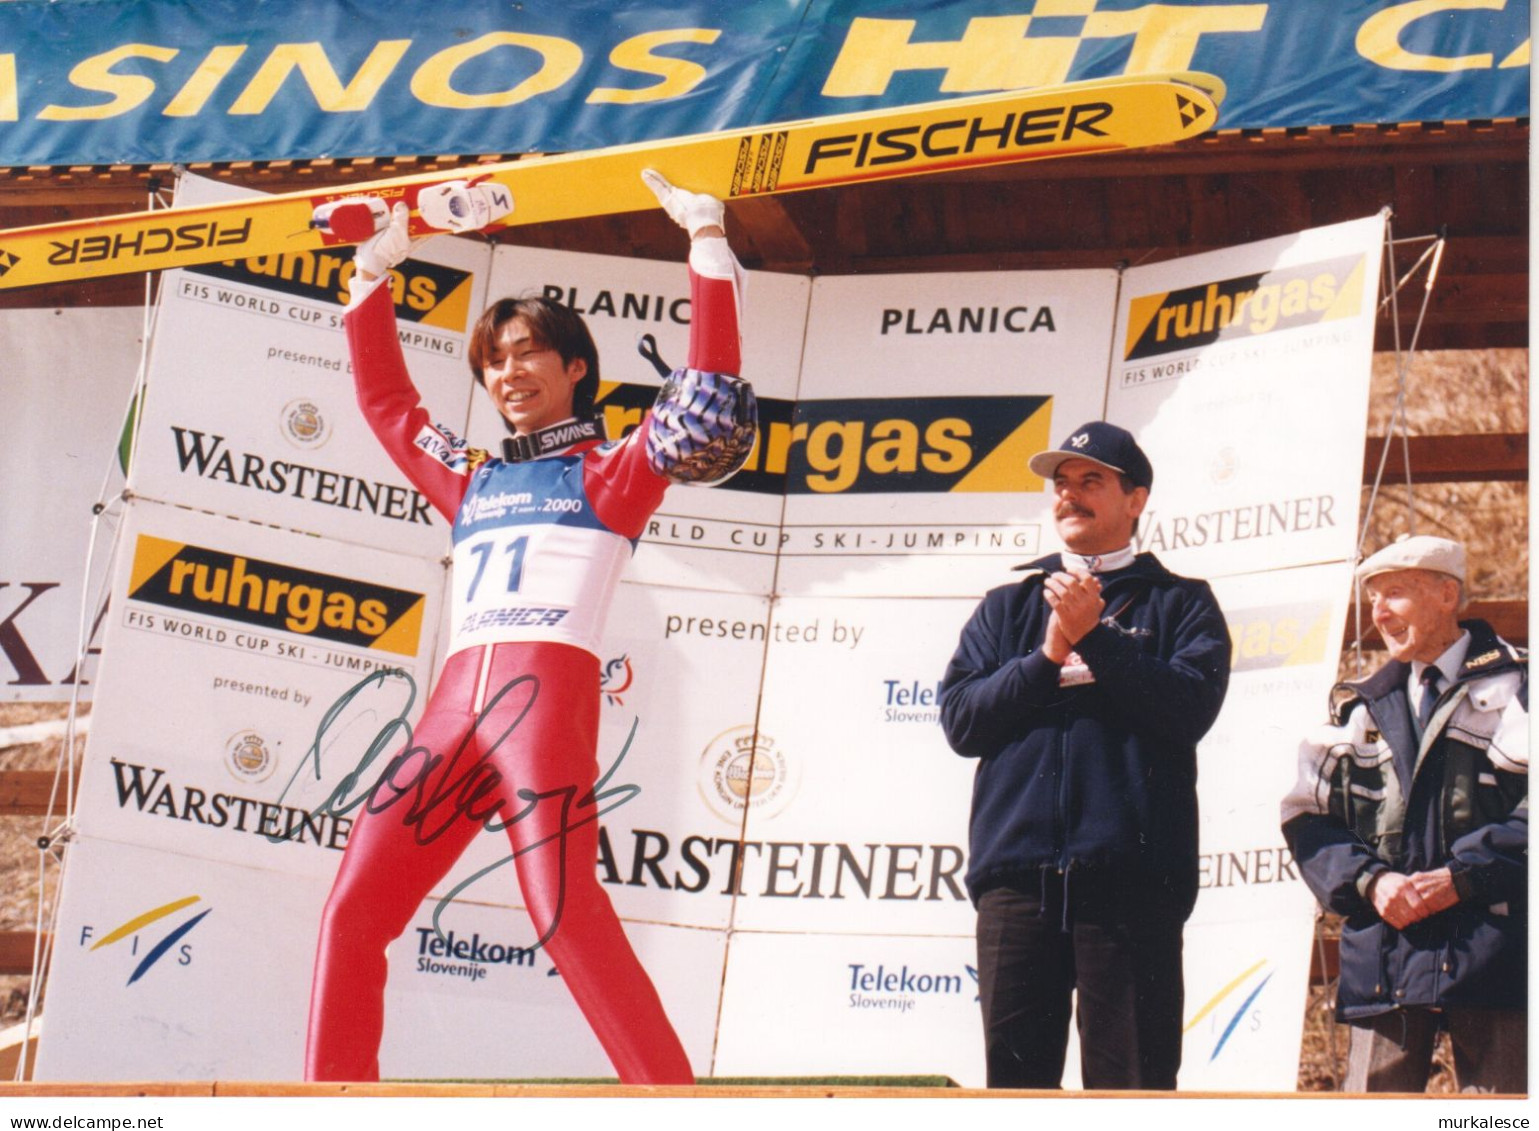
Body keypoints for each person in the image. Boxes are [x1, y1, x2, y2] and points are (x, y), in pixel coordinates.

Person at [304, 171, 757, 1084]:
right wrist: (370, 277)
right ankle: (326, 1101)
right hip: (447, 717)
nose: (508, 372)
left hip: (539, 708)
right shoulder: (470, 478)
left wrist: (705, 240)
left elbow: (707, 393)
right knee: (352, 907)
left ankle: (673, 1100)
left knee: (559, 908)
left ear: (574, 368)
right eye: (494, 360)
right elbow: (389, 408)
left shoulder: (612, 468)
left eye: (526, 354)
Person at [939, 420, 1230, 1090]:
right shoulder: (1005, 606)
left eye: (1090, 481)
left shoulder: (1181, 603)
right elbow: (960, 721)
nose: (1069, 495)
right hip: (1016, 885)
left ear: (1136, 499)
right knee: (1016, 1095)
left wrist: (1094, 638)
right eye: (1060, 484)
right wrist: (1047, 656)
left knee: (1130, 1090)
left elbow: (1187, 708)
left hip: (1131, 883)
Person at [1282, 534, 1527, 1093]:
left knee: (1503, 1122)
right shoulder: (1355, 708)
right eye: (1373, 598)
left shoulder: (1522, 687)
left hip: (1499, 962)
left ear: (1447, 595)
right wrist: (1371, 882)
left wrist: (1464, 877)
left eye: (1395, 593)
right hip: (1385, 966)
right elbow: (1307, 819)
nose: (1379, 612)